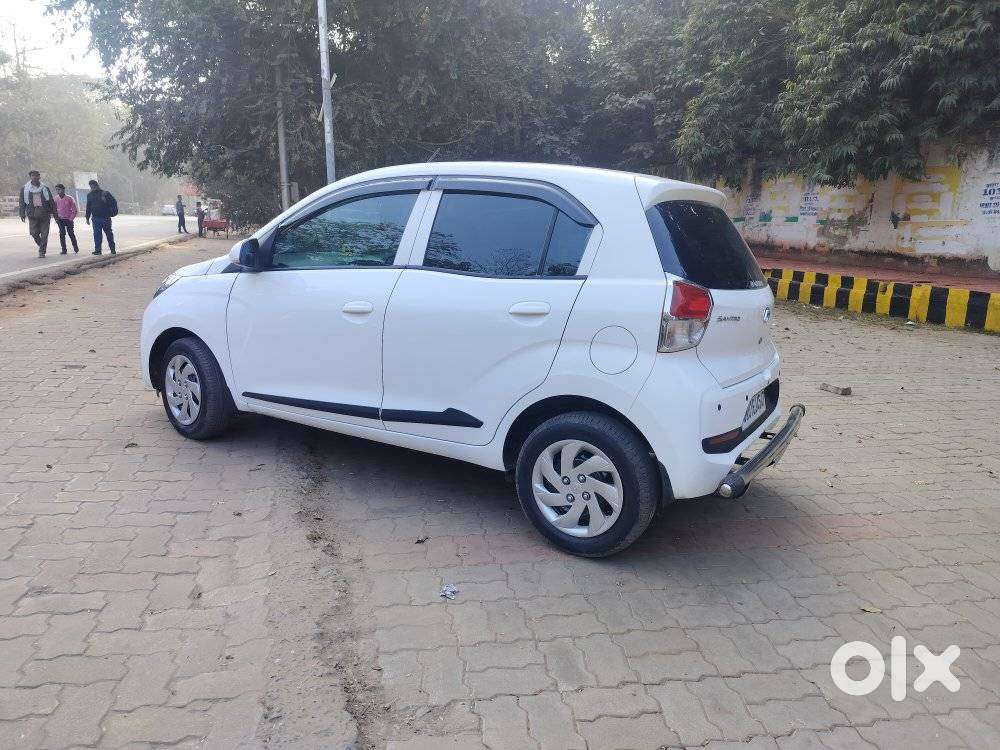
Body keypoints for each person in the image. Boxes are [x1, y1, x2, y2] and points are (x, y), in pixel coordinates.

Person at [18, 170, 57, 258]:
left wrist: (55, 215)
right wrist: (22, 213)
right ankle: (42, 245)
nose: (35, 177)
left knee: (44, 234)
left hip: (44, 213)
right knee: (33, 233)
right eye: (33, 175)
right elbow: (22, 202)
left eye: (36, 175)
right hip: (32, 213)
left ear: (39, 177)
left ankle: (42, 251)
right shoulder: (25, 188)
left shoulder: (45, 188)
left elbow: (51, 201)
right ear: (30, 177)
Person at [85, 179, 118, 255]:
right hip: (95, 218)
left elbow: (113, 203)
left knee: (108, 234)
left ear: (97, 185)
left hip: (105, 218)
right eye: (91, 186)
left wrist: (111, 212)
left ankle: (112, 249)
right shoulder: (89, 195)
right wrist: (87, 217)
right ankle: (98, 250)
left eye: (93, 186)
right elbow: (88, 207)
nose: (92, 187)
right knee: (97, 235)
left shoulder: (105, 193)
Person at [53, 184, 80, 254]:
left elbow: (74, 210)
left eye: (59, 189)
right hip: (60, 219)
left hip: (69, 219)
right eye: (57, 190)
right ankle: (64, 250)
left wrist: (71, 218)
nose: (58, 191)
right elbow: (54, 209)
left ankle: (75, 248)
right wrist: (56, 218)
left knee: (71, 233)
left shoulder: (70, 198)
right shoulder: (56, 198)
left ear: (63, 189)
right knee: (62, 234)